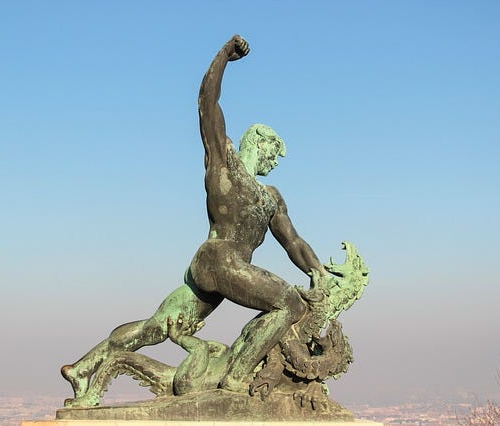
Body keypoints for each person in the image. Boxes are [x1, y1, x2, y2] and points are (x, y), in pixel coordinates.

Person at [61, 34, 326, 404]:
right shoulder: (225, 161)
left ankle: (83, 367)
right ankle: (236, 379)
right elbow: (207, 103)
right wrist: (224, 56)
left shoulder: (271, 197)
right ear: (260, 143)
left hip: (217, 269)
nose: (276, 162)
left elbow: (293, 242)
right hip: (220, 259)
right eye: (275, 153)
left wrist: (318, 271)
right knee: (290, 304)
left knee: (157, 327)